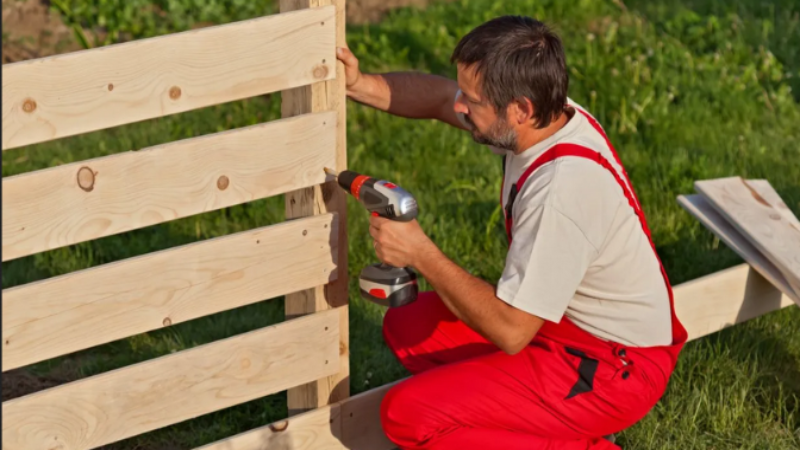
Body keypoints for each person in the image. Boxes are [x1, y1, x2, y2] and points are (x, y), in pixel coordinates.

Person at [336, 15, 688, 450]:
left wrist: (420, 252)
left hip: (611, 369)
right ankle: (539, 417)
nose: (459, 104)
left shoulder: (561, 193)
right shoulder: (545, 116)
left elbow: (510, 330)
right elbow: (440, 98)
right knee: (409, 325)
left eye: (473, 99)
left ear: (520, 109)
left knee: (406, 416)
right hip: (567, 326)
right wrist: (358, 85)